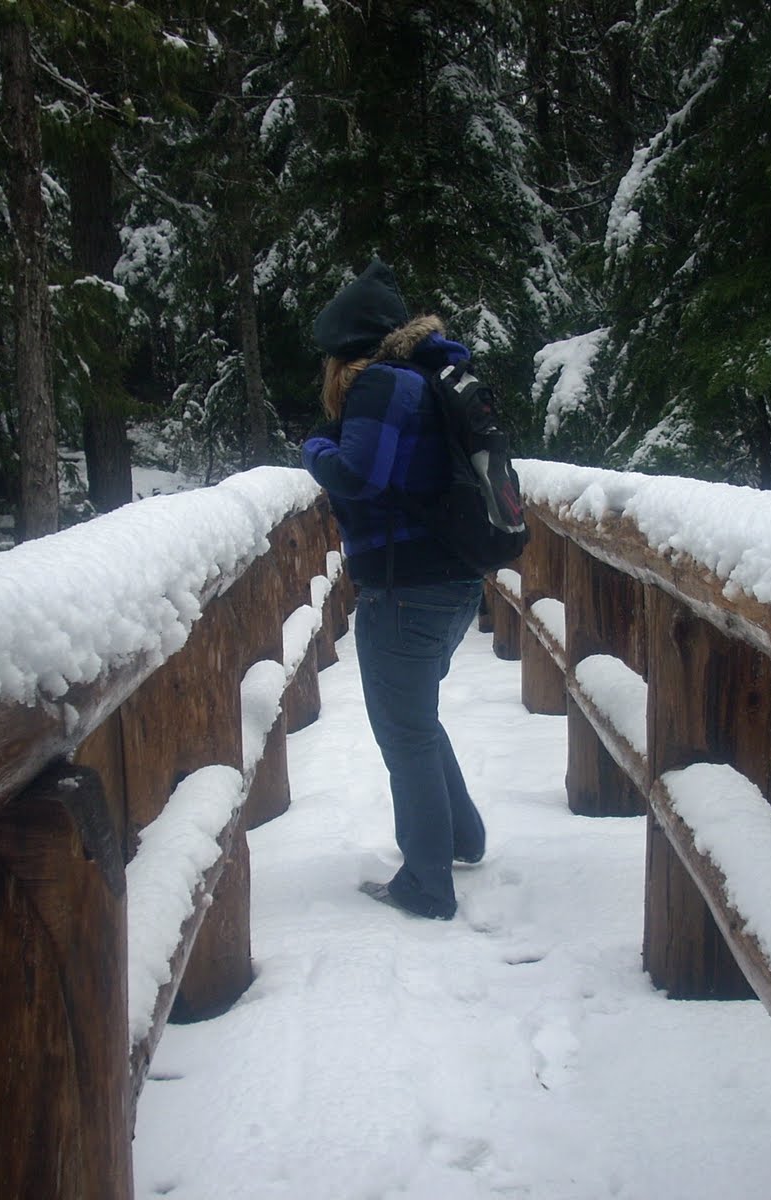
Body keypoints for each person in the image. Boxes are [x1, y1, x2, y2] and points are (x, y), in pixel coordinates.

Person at [301, 259, 486, 920]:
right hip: (451, 579)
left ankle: (427, 884)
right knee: (417, 719)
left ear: (342, 354)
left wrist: (312, 450)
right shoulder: (422, 378)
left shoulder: (381, 385)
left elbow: (356, 475)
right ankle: (462, 836)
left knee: (404, 733)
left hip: (407, 591)